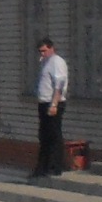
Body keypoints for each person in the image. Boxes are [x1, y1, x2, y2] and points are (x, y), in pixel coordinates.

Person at [31, 36, 69, 178]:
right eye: (40, 51)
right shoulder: (45, 62)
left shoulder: (57, 62)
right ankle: (43, 167)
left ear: (51, 48)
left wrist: (54, 104)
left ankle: (55, 166)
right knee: (44, 136)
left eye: (44, 51)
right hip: (44, 102)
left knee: (54, 135)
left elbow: (59, 85)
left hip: (53, 103)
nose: (42, 53)